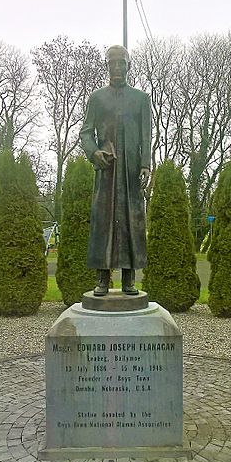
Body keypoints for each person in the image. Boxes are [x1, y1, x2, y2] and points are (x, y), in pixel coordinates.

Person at [80, 45, 151, 296]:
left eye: (122, 63)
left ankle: (129, 279)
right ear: (107, 66)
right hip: (106, 169)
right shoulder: (97, 98)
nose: (117, 68)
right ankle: (102, 278)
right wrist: (94, 152)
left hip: (131, 170)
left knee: (132, 221)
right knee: (103, 221)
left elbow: (146, 134)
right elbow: (86, 132)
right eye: (113, 64)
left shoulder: (141, 99)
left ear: (128, 66)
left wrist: (145, 164)